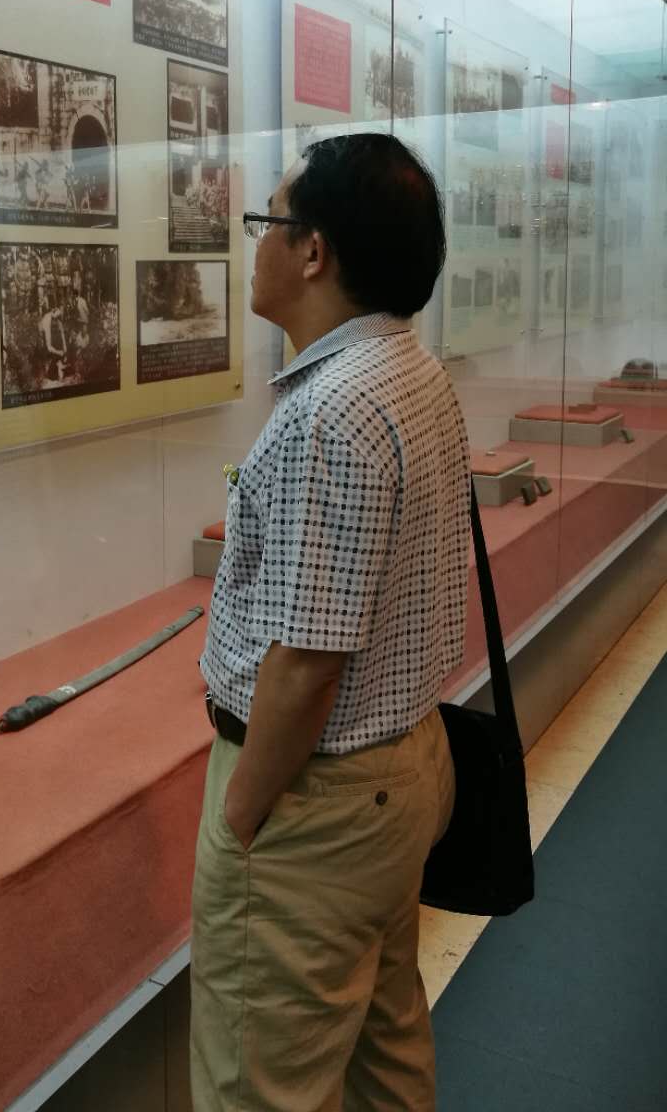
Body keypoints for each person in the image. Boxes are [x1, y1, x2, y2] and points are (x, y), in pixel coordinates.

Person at [192, 133, 468, 1112]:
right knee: (387, 1050)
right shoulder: (408, 370)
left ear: (312, 251)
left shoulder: (331, 412)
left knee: (261, 1088)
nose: (255, 242)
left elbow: (308, 662)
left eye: (266, 221)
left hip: (318, 804)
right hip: (402, 769)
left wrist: (242, 820)